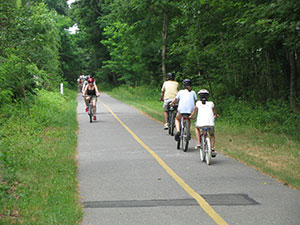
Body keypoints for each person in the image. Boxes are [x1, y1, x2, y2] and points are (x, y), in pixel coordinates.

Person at [189, 89, 218, 157]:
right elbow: (215, 112)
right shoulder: (211, 103)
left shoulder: (198, 103)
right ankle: (212, 148)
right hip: (210, 123)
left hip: (201, 123)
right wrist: (216, 115)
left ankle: (199, 142)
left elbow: (194, 111)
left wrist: (191, 116)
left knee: (197, 128)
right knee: (212, 135)